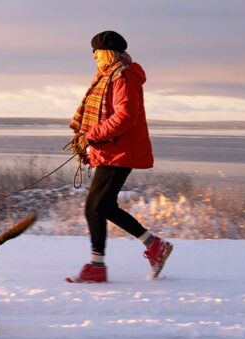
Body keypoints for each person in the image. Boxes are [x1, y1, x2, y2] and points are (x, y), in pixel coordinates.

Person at [66, 30, 173, 283]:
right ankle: (154, 245)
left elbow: (125, 117)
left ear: (107, 52)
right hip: (112, 150)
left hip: (121, 151)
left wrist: (90, 135)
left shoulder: (124, 77)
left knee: (95, 207)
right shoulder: (109, 77)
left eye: (95, 52)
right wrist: (88, 138)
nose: (93, 57)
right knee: (103, 206)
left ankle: (97, 266)